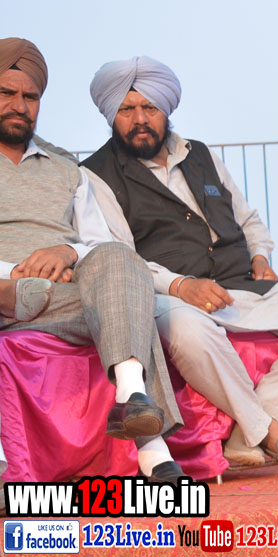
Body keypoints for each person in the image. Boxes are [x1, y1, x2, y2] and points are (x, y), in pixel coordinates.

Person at [82, 57, 278, 478]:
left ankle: (248, 434)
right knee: (187, 331)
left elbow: (247, 219)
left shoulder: (201, 155)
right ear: (111, 115)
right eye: (127, 109)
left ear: (166, 109)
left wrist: (260, 256)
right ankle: (270, 434)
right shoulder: (96, 176)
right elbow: (118, 256)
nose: (139, 119)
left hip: (239, 285)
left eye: (149, 107)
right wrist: (181, 286)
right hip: (168, 297)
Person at [0, 39, 185, 482]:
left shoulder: (68, 168)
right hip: (7, 292)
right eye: (7, 93)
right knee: (129, 302)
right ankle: (154, 451)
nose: (20, 106)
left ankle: (133, 400)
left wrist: (67, 253)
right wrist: (16, 272)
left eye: (30, 97)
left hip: (64, 295)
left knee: (122, 266)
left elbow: (100, 242)